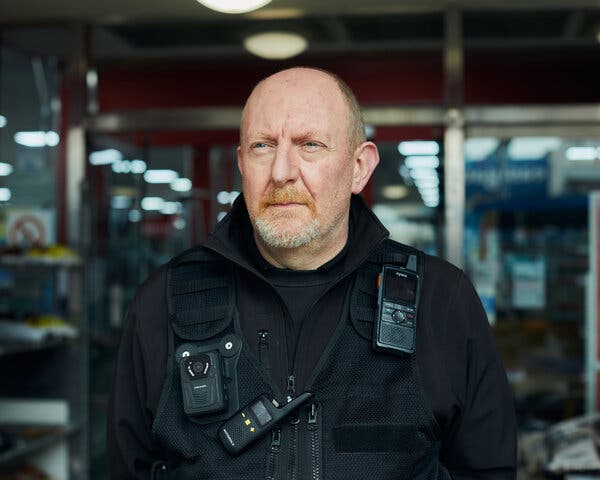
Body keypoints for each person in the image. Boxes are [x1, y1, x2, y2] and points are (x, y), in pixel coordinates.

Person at [107, 67, 517, 479]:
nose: (282, 171)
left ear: (360, 167)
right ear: (241, 164)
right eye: (262, 145)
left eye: (310, 145)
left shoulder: (439, 301)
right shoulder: (164, 300)